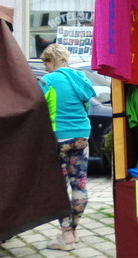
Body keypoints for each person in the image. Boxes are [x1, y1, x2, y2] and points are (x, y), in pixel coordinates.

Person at [38, 44, 96, 251]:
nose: (45, 68)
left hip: (59, 136)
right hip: (82, 134)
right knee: (79, 184)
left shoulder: (49, 80)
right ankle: (74, 230)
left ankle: (66, 236)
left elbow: (38, 106)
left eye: (46, 63)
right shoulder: (81, 78)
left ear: (52, 60)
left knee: (59, 187)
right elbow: (86, 105)